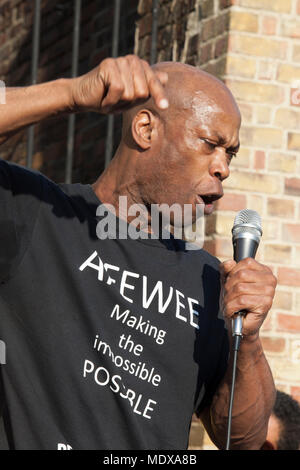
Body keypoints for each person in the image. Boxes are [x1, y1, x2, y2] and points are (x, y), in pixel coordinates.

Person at [0, 55, 277, 450]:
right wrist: (71, 93)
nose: (223, 168)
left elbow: (245, 439)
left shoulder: (211, 281)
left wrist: (247, 341)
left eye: (229, 153)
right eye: (210, 144)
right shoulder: (38, 215)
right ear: (146, 129)